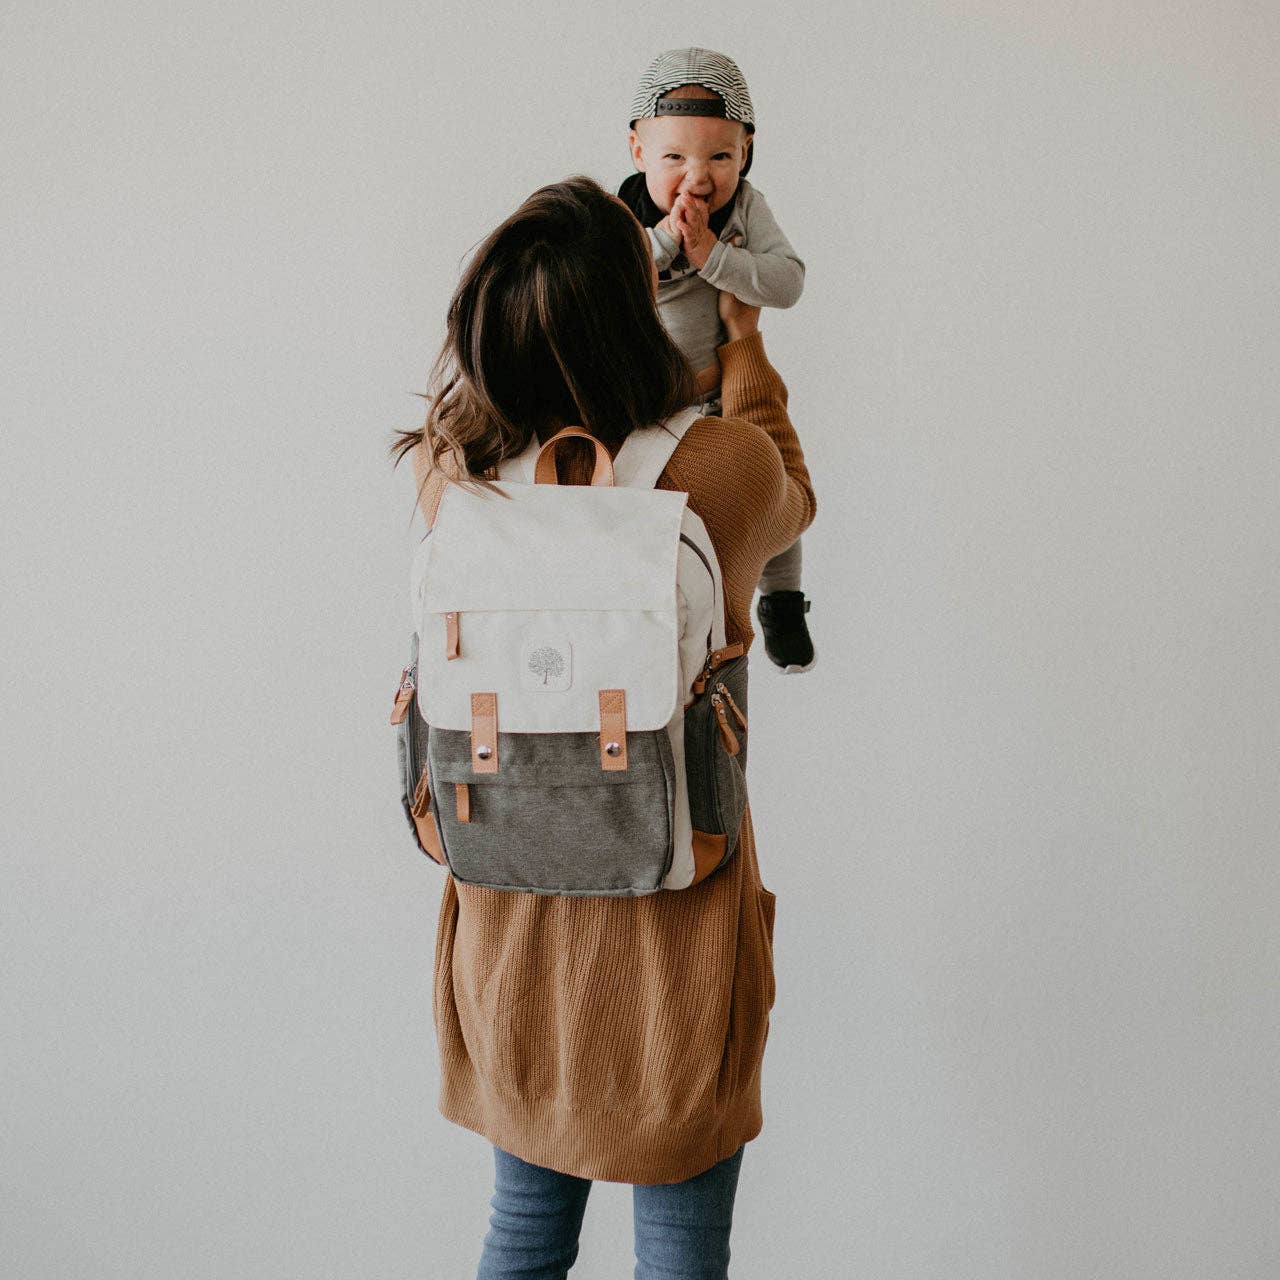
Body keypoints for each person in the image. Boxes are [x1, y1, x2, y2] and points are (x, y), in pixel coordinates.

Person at [389, 175, 816, 1279]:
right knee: (678, 1249)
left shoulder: (456, 474)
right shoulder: (714, 473)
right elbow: (793, 498)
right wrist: (738, 337)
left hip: (510, 928)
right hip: (671, 931)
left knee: (523, 1234)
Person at [618, 46, 818, 674]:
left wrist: (714, 258)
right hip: (646, 406)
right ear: (638, 153)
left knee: (775, 489)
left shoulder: (748, 210)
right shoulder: (619, 215)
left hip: (728, 388)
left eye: (720, 156)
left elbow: (787, 283)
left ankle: (781, 600)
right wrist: (670, 241)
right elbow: (601, 282)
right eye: (674, 156)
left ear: (747, 152)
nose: (697, 178)